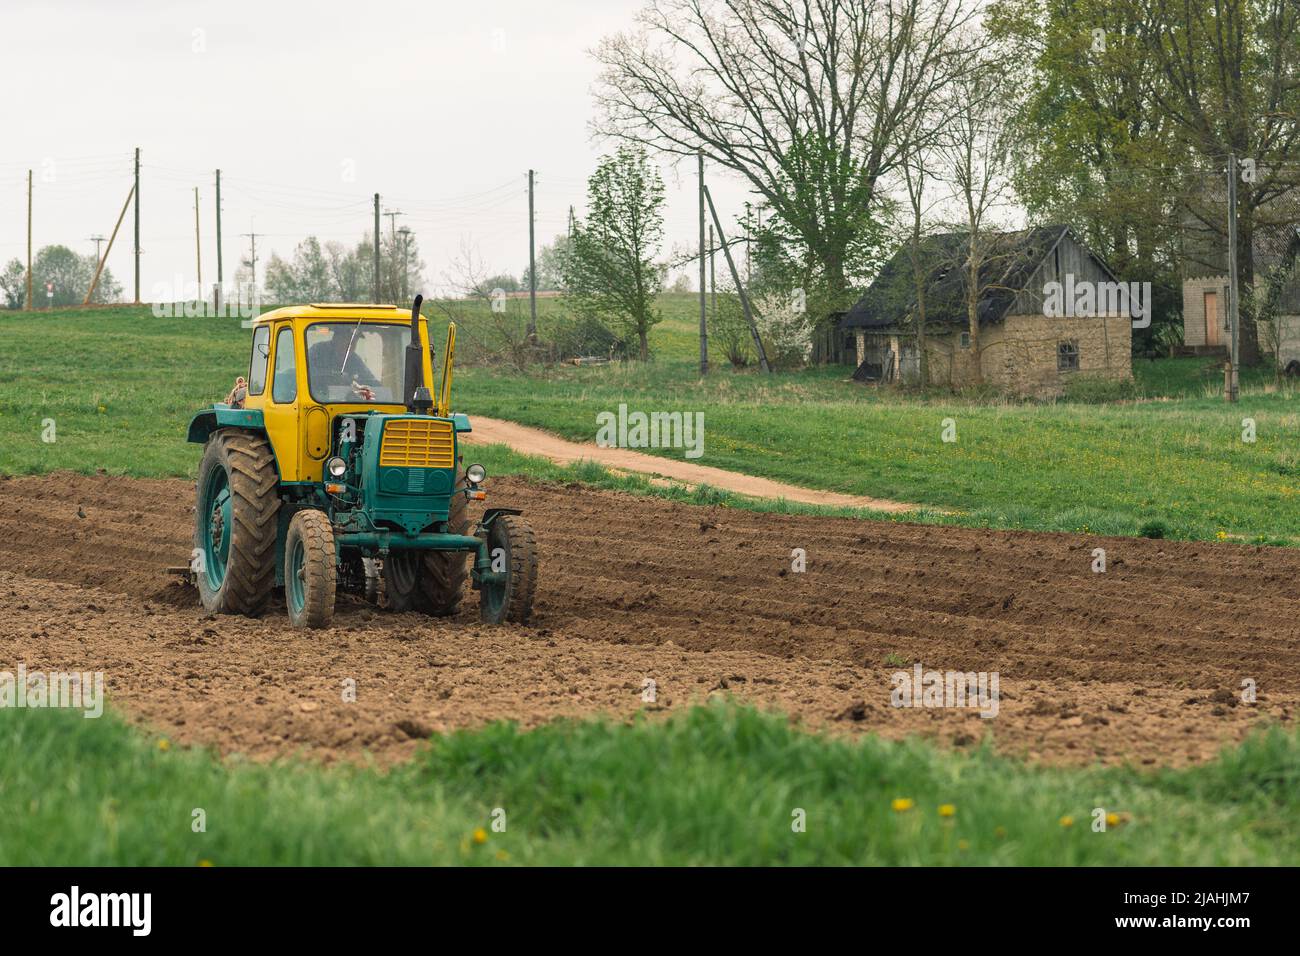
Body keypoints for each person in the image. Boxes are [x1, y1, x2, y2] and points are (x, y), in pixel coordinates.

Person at [307, 325, 381, 400]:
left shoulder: (354, 359)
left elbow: (370, 380)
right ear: (336, 338)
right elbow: (307, 375)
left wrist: (368, 387)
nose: (351, 346)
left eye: (354, 341)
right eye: (347, 340)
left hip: (346, 403)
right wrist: (334, 377)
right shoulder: (317, 351)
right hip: (318, 400)